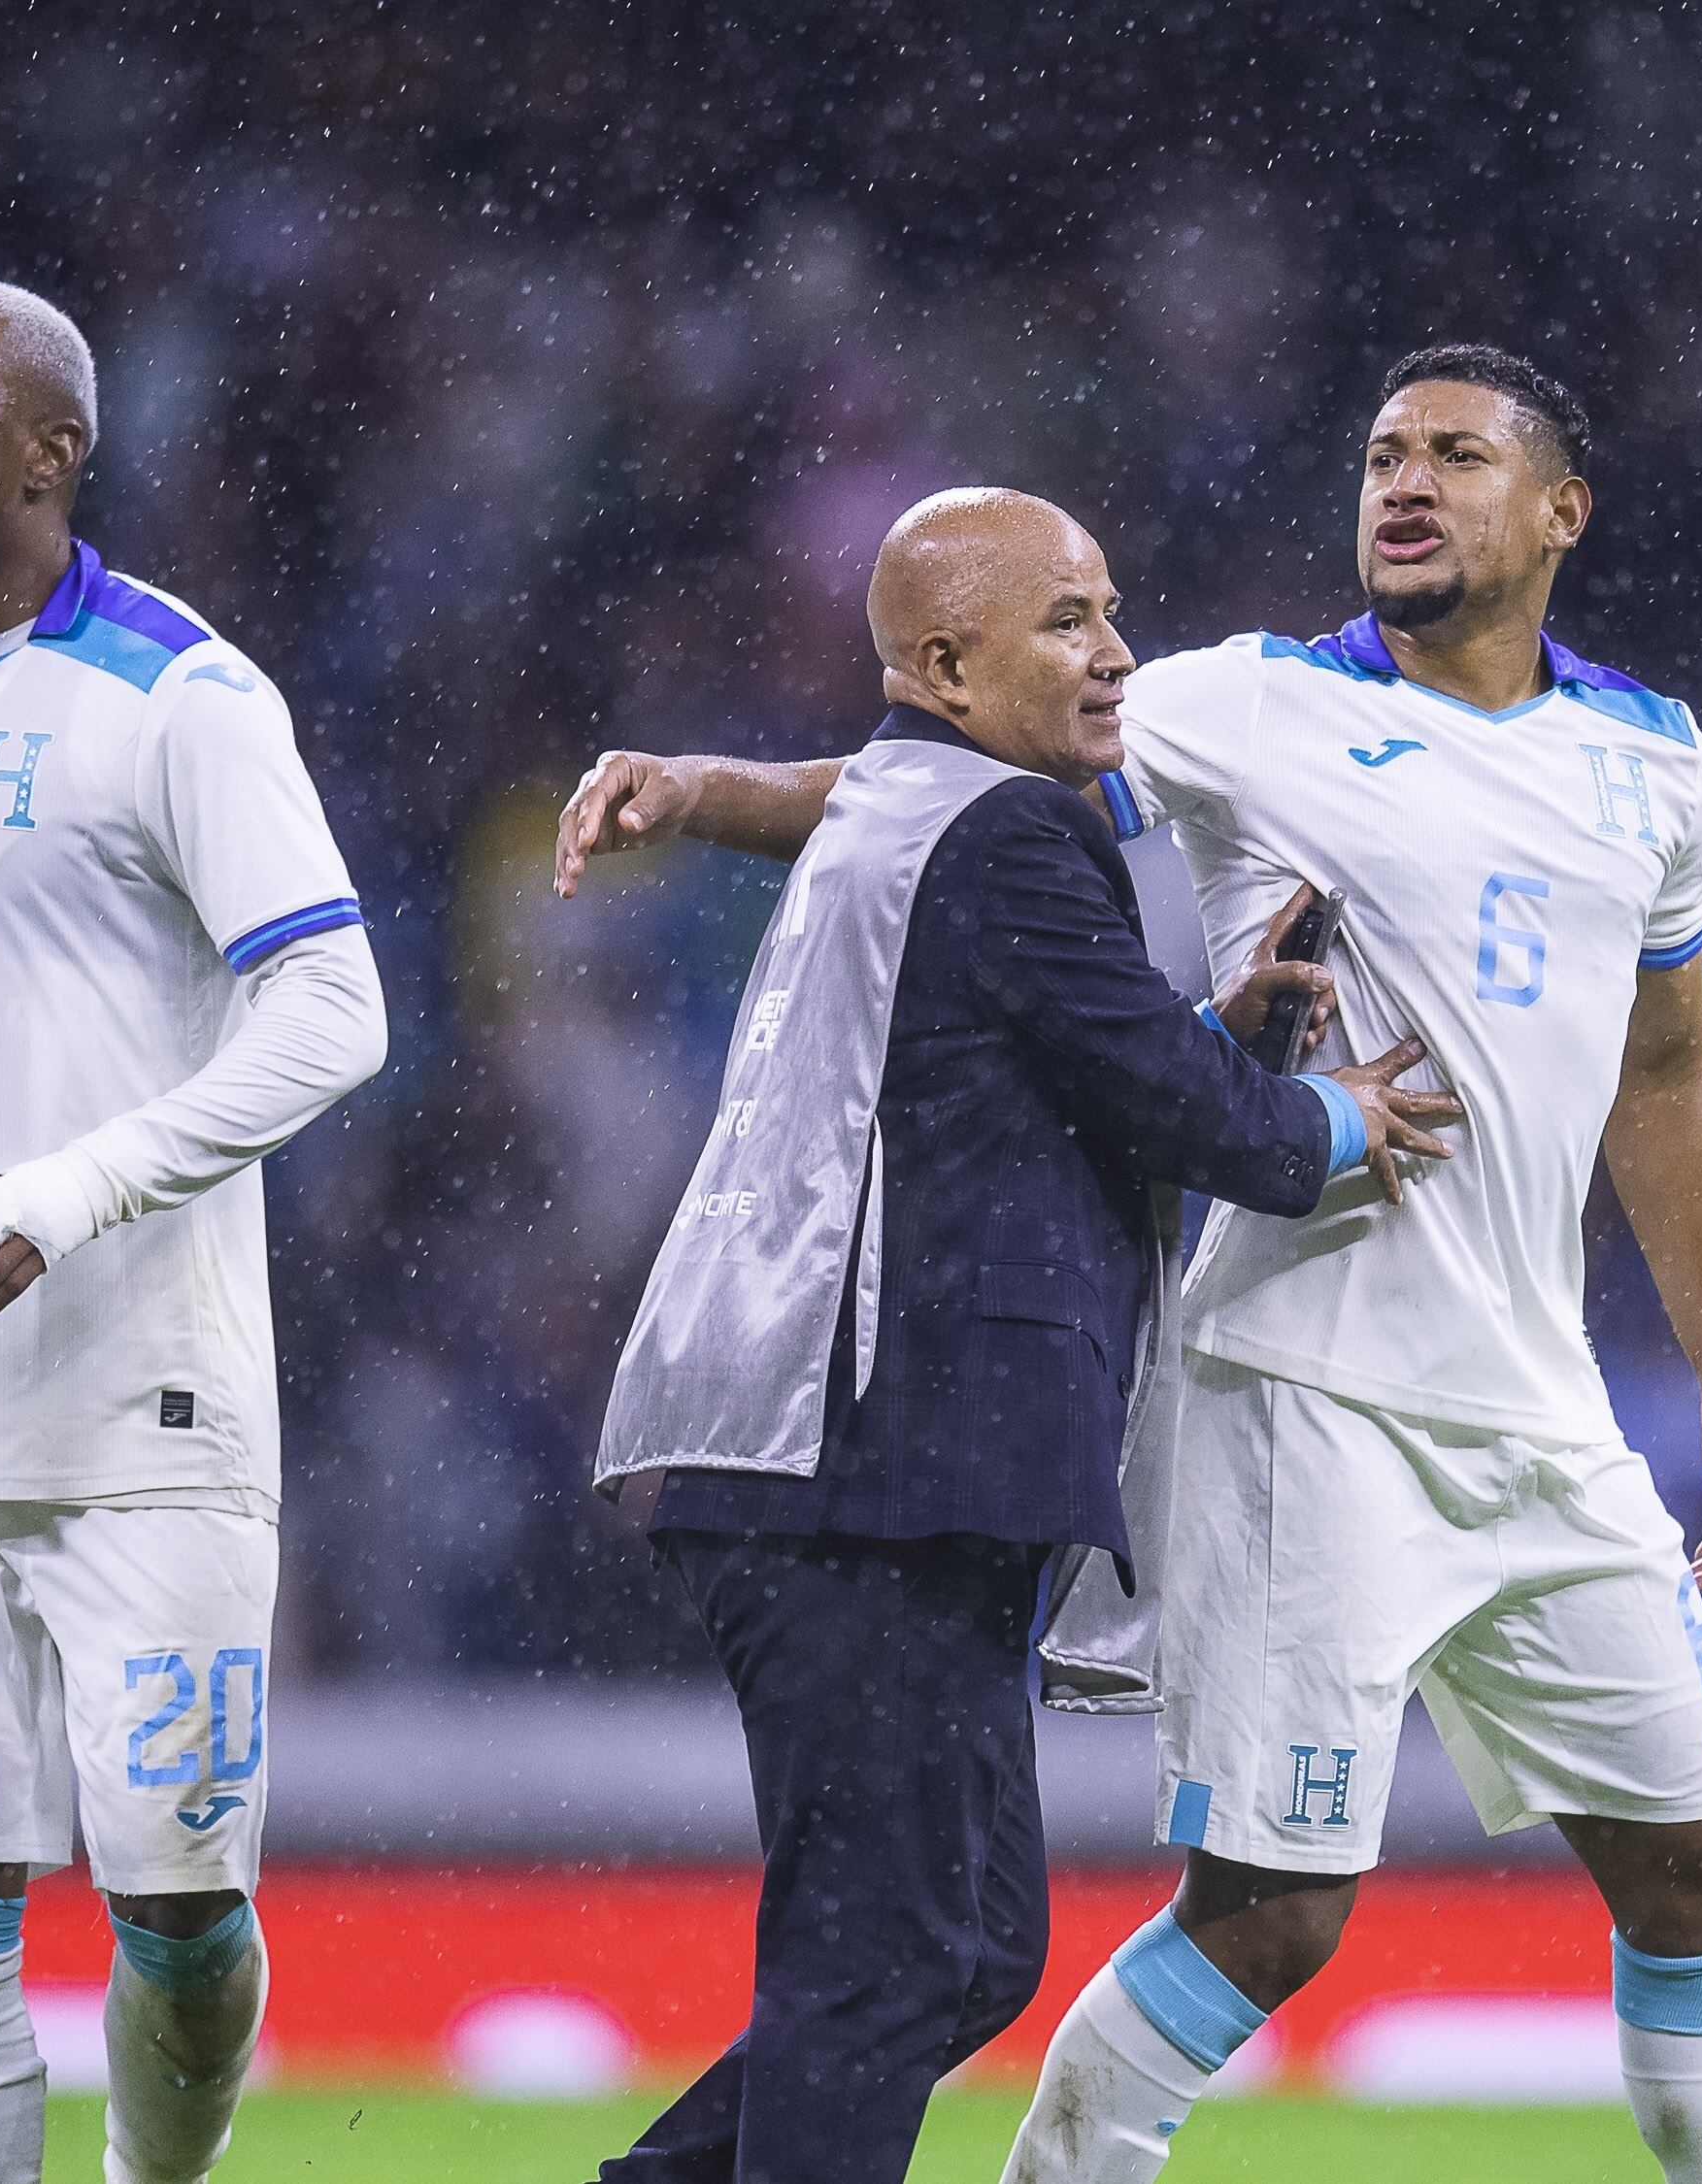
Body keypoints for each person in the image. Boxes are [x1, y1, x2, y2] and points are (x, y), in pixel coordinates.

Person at [558, 347, 1702, 2184]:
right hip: (1301, 1389)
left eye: (1458, 455)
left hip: (1540, 1412)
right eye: (1384, 451)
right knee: (1272, 1912)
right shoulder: (1248, 705)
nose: (1405, 481)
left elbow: (1667, 1068)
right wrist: (699, 785)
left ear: (1562, 510)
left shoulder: (1657, 759)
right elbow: (918, 780)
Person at [587, 488, 1451, 2184]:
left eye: (1110, 608)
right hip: (865, 1467)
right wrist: (1327, 1119)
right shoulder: (1004, 831)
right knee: (890, 1954)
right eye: (1067, 619)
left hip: (838, 1458)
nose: (1116, 648)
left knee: (964, 1941)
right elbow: (1189, 1115)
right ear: (943, 664)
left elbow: (1021, 1082)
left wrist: (1210, 1039)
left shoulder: (910, 814)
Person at [0, 279, 385, 2184]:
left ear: (50, 452)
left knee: (178, 1923)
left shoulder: (178, 694)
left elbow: (333, 1012)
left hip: (146, 1418)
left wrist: (63, 1193)